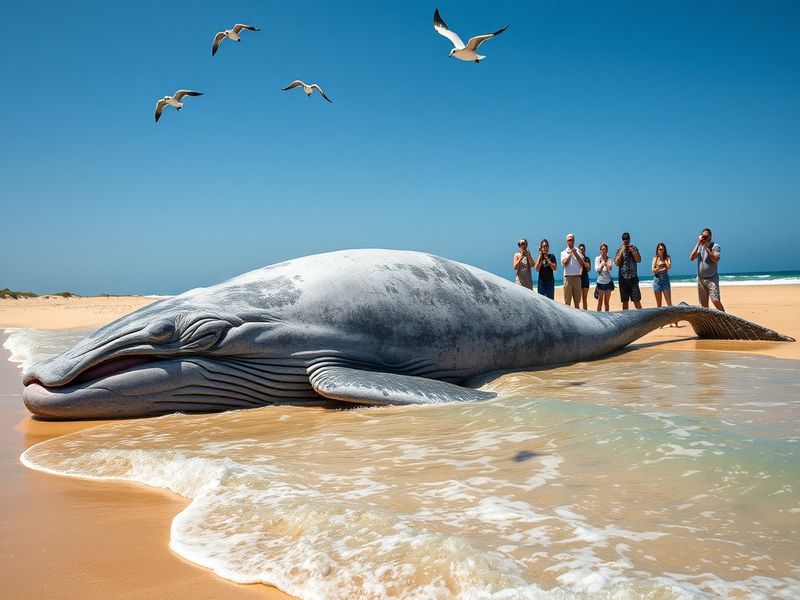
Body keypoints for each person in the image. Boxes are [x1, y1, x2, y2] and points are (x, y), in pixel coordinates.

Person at [689, 227, 725, 312]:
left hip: (712, 279)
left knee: (715, 300)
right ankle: (707, 320)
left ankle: (724, 317)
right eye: (703, 236)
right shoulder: (699, 246)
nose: (705, 238)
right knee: (703, 306)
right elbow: (691, 258)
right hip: (701, 279)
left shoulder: (715, 246)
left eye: (706, 236)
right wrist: (698, 243)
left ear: (710, 236)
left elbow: (716, 259)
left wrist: (707, 248)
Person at [614, 232, 642, 310]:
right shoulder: (619, 249)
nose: (625, 240)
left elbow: (639, 260)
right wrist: (621, 252)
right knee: (625, 301)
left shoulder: (634, 248)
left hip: (633, 278)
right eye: (624, 239)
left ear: (629, 239)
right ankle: (626, 316)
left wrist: (632, 251)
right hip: (623, 279)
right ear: (622, 240)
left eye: (627, 239)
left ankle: (642, 316)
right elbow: (616, 263)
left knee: (636, 300)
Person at [560, 233, 584, 308]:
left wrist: (575, 253)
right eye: (569, 240)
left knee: (577, 301)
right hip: (567, 278)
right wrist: (570, 254)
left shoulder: (578, 251)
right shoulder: (563, 252)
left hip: (577, 277)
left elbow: (582, 263)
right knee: (567, 301)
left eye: (571, 240)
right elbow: (565, 263)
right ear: (566, 241)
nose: (570, 241)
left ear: (574, 240)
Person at [651, 242, 673, 308]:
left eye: (662, 249)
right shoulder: (655, 258)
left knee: (669, 304)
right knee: (659, 305)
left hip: (665, 280)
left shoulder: (667, 257)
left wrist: (664, 260)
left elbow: (669, 267)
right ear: (657, 250)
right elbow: (653, 270)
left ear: (664, 250)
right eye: (659, 249)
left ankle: (670, 314)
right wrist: (659, 267)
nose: (661, 250)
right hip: (657, 280)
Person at [594, 243, 614, 311]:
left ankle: (607, 316)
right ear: (600, 250)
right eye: (602, 249)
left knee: (606, 303)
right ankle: (598, 316)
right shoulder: (597, 259)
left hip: (608, 282)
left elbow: (609, 270)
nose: (603, 251)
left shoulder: (610, 259)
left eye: (605, 249)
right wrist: (602, 263)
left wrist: (606, 263)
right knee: (600, 302)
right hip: (600, 283)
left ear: (607, 250)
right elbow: (597, 270)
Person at [578, 243, 591, 310]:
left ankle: (586, 313)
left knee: (584, 299)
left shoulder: (587, 258)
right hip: (578, 279)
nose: (581, 251)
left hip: (585, 279)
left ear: (584, 250)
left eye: (582, 249)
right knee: (578, 299)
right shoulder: (576, 259)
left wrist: (582, 260)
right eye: (580, 249)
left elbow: (588, 269)